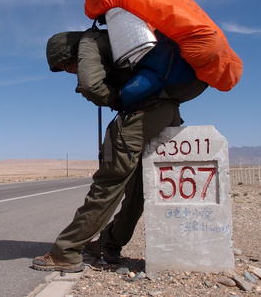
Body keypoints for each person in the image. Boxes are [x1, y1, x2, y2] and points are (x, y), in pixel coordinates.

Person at [32, 27, 207, 272]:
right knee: (139, 187)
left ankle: (67, 251)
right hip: (167, 110)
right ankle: (110, 245)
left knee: (109, 183)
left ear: (70, 51)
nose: (68, 70)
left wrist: (115, 99)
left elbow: (90, 85)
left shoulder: (88, 43)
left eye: (66, 64)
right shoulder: (117, 39)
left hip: (140, 114)